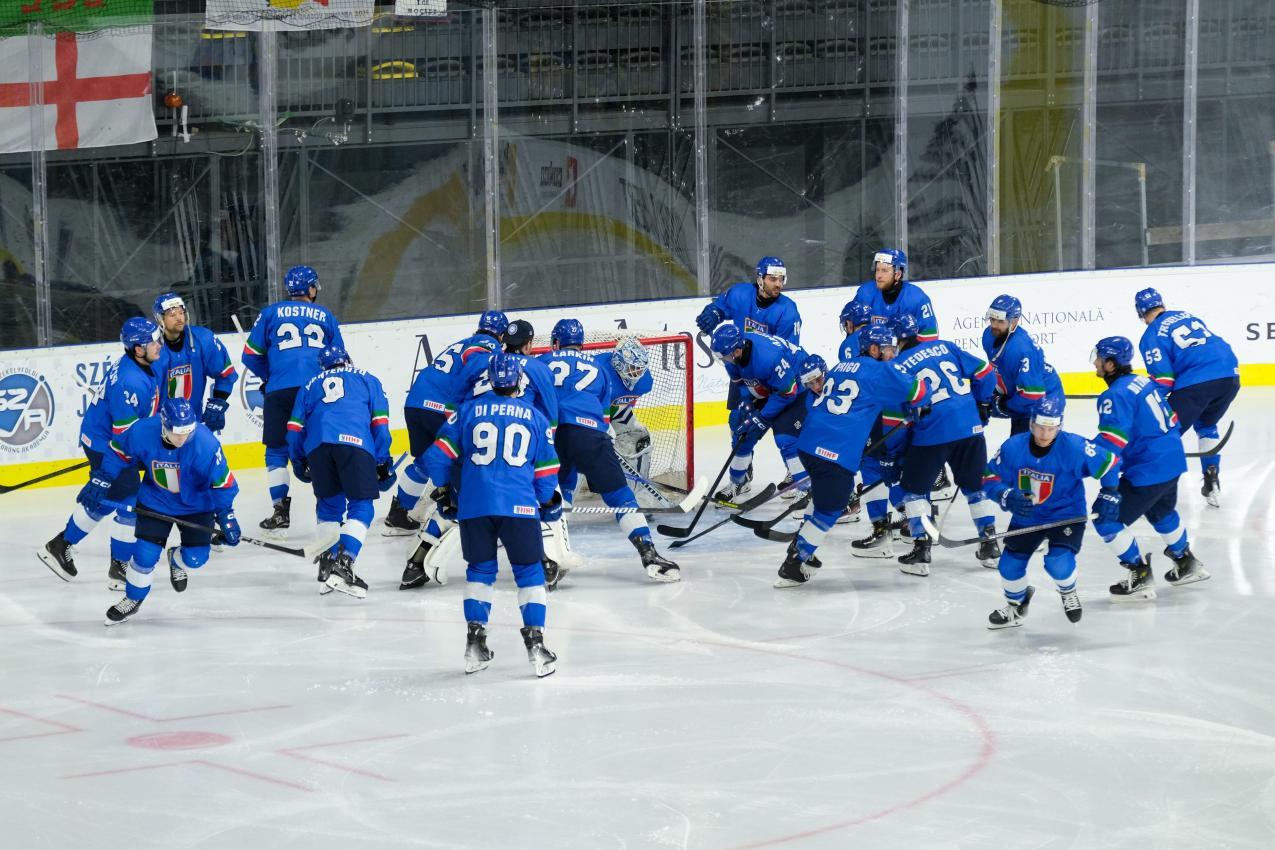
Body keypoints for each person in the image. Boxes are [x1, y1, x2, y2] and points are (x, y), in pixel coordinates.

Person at [424, 353, 561, 677]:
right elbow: (547, 471)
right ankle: (537, 647)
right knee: (529, 573)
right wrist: (543, 500)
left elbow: (436, 459)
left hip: (475, 505)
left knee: (480, 571)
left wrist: (446, 488)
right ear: (518, 382)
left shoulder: (466, 413)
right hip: (520, 507)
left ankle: (475, 643)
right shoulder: (535, 417)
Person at [774, 340, 926, 587]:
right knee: (830, 510)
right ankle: (795, 561)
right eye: (888, 348)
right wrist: (920, 404)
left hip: (808, 446)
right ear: (874, 349)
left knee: (823, 499)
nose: (893, 353)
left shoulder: (842, 365)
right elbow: (919, 392)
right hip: (835, 453)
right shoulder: (879, 370)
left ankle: (802, 542)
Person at [76, 398, 242, 625]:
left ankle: (176, 558)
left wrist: (226, 515)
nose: (183, 439)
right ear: (164, 425)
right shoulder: (143, 431)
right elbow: (118, 451)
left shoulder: (206, 444)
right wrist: (103, 478)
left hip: (197, 505)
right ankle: (132, 599)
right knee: (144, 556)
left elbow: (224, 484)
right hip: (156, 501)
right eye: (177, 433)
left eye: (187, 432)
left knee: (195, 559)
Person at [541, 319, 680, 583]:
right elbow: (602, 414)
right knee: (620, 495)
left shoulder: (543, 362)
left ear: (555, 342)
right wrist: (600, 443)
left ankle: (551, 559)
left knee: (559, 492)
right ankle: (649, 553)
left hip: (552, 435)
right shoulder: (597, 368)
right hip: (589, 434)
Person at [37, 317, 161, 589]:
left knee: (111, 500)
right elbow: (124, 436)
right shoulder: (131, 381)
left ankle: (62, 544)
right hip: (107, 445)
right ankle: (117, 566)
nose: (159, 345)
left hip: (101, 438)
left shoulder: (140, 365)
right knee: (130, 504)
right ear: (138, 349)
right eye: (153, 342)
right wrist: (106, 472)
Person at [981, 397, 1120, 629]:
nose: (1045, 434)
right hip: (1027, 515)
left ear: (1059, 426)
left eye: (1051, 428)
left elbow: (1109, 462)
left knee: (1058, 562)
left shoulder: (1074, 447)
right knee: (1008, 566)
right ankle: (1016, 606)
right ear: (1031, 424)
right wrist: (1005, 496)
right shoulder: (1013, 447)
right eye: (1040, 427)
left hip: (1066, 513)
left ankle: (1068, 591)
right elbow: (989, 477)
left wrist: (1110, 492)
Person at [1090, 336, 1208, 601]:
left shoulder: (1115, 394)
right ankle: (1186, 562)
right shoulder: (1144, 382)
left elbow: (1111, 443)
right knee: (1161, 511)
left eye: (1099, 358)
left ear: (1110, 364)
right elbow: (1173, 420)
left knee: (1105, 518)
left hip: (1148, 468)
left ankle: (1139, 574)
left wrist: (1085, 456)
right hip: (1172, 459)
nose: (1095, 363)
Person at [242, 265, 345, 534]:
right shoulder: (325, 315)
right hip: (317, 390)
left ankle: (280, 513)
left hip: (280, 390)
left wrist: (273, 375)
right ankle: (332, 513)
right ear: (311, 289)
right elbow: (340, 358)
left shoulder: (270, 313)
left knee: (276, 451)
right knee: (323, 448)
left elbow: (250, 355)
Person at [387, 310, 507, 540]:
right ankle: (460, 515)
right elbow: (475, 362)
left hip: (415, 403)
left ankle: (399, 512)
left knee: (423, 461)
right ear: (501, 334)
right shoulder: (487, 345)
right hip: (439, 407)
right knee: (463, 462)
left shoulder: (463, 342)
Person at [287, 344, 395, 599]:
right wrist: (382, 460)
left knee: (328, 508)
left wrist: (298, 459)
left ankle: (328, 566)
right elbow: (380, 424)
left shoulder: (309, 385)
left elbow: (293, 428)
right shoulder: (368, 378)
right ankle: (344, 562)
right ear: (347, 359)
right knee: (361, 505)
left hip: (317, 447)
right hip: (354, 443)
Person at [891, 327, 999, 575]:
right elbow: (985, 372)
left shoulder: (899, 365)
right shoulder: (946, 346)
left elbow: (900, 413)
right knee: (975, 487)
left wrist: (896, 451)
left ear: (899, 339)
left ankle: (921, 549)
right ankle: (990, 544)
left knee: (914, 491)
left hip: (932, 433)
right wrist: (982, 403)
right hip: (969, 427)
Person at [696, 257, 803, 487]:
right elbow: (719, 307)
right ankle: (742, 476)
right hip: (741, 366)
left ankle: (793, 472)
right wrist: (713, 313)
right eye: (772, 278)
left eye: (781, 279)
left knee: (782, 427)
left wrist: (762, 409)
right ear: (760, 278)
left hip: (772, 373)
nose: (778, 284)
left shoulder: (787, 312)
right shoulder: (739, 294)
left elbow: (783, 355)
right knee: (738, 423)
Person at [1135, 288, 1240, 508]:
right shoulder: (1186, 315)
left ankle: (1149, 492)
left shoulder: (1151, 334)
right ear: (1161, 304)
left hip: (1198, 382)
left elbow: (1164, 381)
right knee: (1207, 425)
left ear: (1140, 312)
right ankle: (1212, 480)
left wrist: (1141, 396)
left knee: (1163, 433)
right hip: (1230, 375)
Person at [708, 324, 811, 503]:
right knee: (742, 433)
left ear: (737, 351)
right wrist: (747, 402)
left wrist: (762, 417)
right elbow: (740, 382)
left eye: (725, 356)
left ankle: (805, 487)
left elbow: (788, 393)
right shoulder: (732, 355)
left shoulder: (768, 357)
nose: (723, 360)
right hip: (770, 385)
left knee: (785, 439)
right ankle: (737, 482)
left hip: (797, 386)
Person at [151, 291, 238, 432]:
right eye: (172, 315)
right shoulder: (152, 350)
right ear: (160, 319)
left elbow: (225, 374)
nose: (179, 318)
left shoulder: (203, 339)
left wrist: (218, 402)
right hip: (160, 427)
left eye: (181, 313)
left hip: (193, 424)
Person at [981, 294, 1065, 435]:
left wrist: (1004, 405)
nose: (994, 325)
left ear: (1014, 322)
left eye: (1000, 321)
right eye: (992, 319)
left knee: (1026, 448)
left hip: (1044, 397)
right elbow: (1000, 369)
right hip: (1022, 391)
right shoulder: (988, 336)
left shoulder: (1023, 350)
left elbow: (1032, 395)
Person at [850, 249, 938, 342]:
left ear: (897, 274)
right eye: (877, 270)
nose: (878, 275)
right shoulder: (865, 293)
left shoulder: (917, 299)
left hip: (905, 354)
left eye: (884, 271)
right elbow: (852, 331)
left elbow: (929, 338)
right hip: (873, 354)